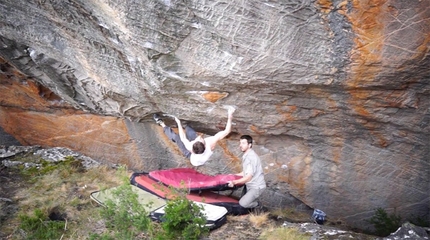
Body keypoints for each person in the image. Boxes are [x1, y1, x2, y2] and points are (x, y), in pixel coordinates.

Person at [153, 106, 235, 166]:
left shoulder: (189, 147)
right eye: (199, 139)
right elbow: (227, 131)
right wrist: (230, 116)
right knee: (189, 129)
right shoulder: (211, 143)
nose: (199, 137)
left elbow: (183, 137)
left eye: (198, 139)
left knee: (177, 137)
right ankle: (187, 126)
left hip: (192, 158)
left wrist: (178, 123)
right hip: (198, 154)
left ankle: (162, 124)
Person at [227, 135, 266, 210]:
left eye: (243, 143)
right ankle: (252, 206)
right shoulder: (247, 155)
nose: (240, 145)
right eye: (240, 143)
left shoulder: (251, 157)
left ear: (249, 145)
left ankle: (258, 205)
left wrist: (234, 182)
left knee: (243, 204)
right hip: (250, 185)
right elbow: (245, 173)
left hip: (256, 186)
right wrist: (233, 175)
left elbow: (248, 177)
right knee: (244, 201)